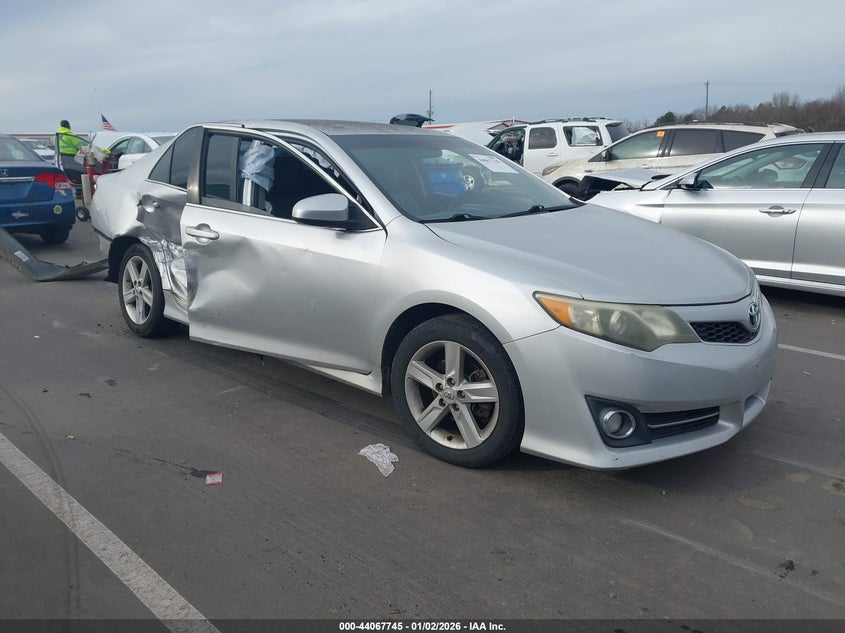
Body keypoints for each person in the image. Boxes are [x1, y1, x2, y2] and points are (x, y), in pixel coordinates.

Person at [56, 119, 87, 186]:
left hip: (63, 158)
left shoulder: (56, 136)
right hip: (73, 158)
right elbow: (81, 147)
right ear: (68, 125)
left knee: (70, 174)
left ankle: (74, 186)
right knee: (79, 175)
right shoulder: (70, 135)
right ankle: (81, 189)